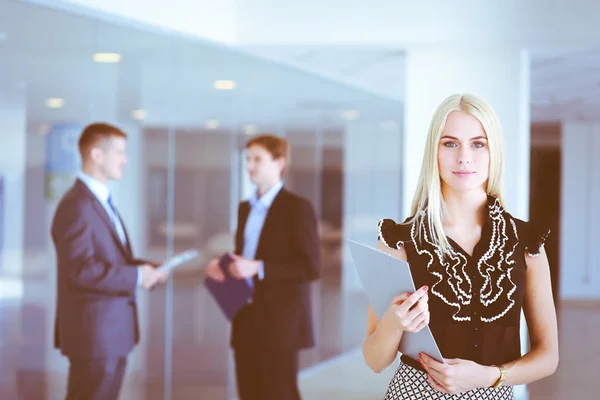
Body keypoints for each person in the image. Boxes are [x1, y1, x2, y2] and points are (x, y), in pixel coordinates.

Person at [362, 93, 559, 399]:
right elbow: (375, 361)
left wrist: (492, 376)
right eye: (450, 143)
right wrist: (392, 323)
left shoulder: (527, 243)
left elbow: (548, 357)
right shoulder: (397, 242)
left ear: (494, 151)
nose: (464, 157)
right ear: (434, 152)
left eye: (478, 143)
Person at [51, 123, 168, 400]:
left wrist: (145, 269)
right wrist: (137, 276)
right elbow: (81, 270)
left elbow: (108, 258)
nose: (125, 160)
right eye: (119, 152)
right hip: (94, 338)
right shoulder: (76, 205)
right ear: (96, 155)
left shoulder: (100, 201)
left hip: (111, 335)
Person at [205, 134, 321, 400]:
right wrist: (223, 266)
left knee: (279, 393)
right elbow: (244, 255)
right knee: (249, 392)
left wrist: (258, 267)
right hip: (245, 316)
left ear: (280, 162)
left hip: (280, 322)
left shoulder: (297, 208)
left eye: (258, 159)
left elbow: (310, 267)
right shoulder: (245, 208)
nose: (250, 166)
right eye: (248, 159)